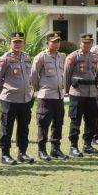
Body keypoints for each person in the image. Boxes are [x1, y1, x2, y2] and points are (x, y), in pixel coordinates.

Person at [0, 32, 35, 165]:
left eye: (20, 42)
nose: (17, 44)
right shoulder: (5, 58)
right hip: (9, 99)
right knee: (7, 127)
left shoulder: (26, 57)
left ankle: (22, 153)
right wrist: (5, 92)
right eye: (15, 42)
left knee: (24, 127)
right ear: (10, 43)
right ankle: (5, 154)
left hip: (25, 99)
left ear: (23, 43)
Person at [30, 32, 68, 161]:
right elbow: (33, 75)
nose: (56, 44)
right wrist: (40, 88)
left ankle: (55, 149)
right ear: (47, 43)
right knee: (44, 123)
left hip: (59, 96)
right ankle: (42, 150)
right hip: (46, 96)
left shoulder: (61, 57)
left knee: (58, 123)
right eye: (53, 41)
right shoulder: (41, 57)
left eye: (58, 41)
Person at [64, 33, 98, 157]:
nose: (87, 44)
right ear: (80, 43)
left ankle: (87, 145)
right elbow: (67, 74)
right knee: (76, 121)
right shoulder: (73, 56)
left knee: (91, 120)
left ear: (92, 43)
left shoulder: (95, 57)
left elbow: (97, 74)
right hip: (77, 93)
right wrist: (67, 91)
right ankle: (73, 147)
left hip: (91, 93)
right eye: (84, 42)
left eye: (89, 42)